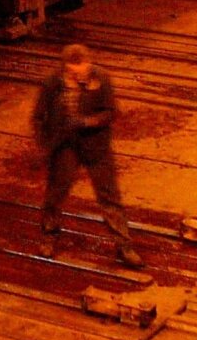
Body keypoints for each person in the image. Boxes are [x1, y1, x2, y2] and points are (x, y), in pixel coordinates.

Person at [32, 43, 143, 268]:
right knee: (56, 193)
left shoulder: (100, 79)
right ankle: (49, 236)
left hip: (96, 146)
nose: (80, 77)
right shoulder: (52, 84)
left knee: (109, 196)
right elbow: (38, 116)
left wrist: (87, 122)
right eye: (74, 73)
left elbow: (111, 112)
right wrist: (45, 145)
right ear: (65, 69)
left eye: (83, 71)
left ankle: (124, 246)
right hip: (65, 145)